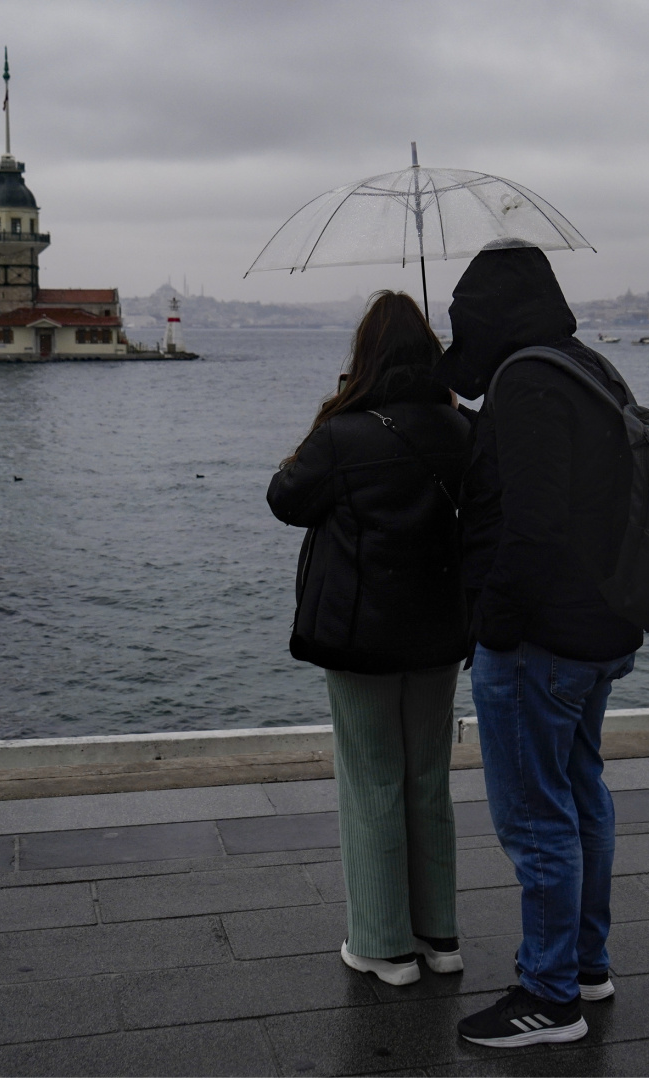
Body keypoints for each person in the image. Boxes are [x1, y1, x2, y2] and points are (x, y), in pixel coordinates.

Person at [435, 243, 649, 1047]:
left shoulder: (525, 383)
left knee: (536, 819)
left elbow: (533, 522)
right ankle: (587, 965)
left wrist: (493, 625)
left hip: (541, 641)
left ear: (486, 315)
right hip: (601, 629)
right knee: (583, 796)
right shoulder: (584, 368)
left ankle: (549, 997)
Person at [267, 290, 470, 987]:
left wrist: (325, 420)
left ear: (366, 357)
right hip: (440, 629)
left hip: (360, 634)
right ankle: (438, 937)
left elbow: (285, 498)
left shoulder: (344, 434)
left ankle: (383, 945)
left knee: (372, 778)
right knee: (428, 778)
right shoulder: (462, 429)